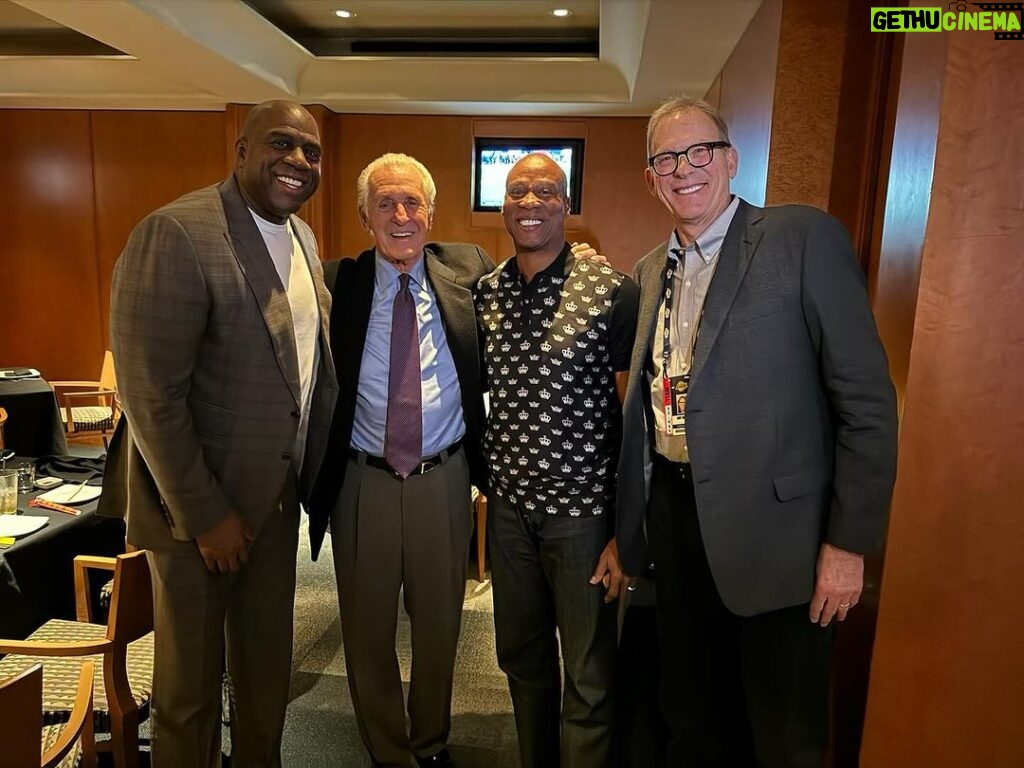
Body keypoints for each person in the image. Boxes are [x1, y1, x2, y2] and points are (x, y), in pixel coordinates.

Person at [615, 95, 899, 767]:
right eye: (666, 158)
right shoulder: (653, 268)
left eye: (699, 151)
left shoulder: (800, 239)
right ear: (651, 177)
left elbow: (866, 402)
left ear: (731, 160)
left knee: (783, 734)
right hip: (677, 527)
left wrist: (849, 545)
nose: (684, 169)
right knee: (692, 715)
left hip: (783, 545)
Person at [102, 100, 338, 767]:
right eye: (280, 144)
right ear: (240, 151)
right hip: (195, 523)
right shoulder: (178, 232)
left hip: (274, 501)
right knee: (191, 693)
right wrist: (206, 515)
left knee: (266, 679)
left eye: (311, 151)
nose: (297, 161)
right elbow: (150, 394)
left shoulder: (303, 239)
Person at [307, 153, 492, 768]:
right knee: (366, 630)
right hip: (365, 483)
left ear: (431, 213)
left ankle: (430, 743)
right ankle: (388, 751)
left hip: (445, 477)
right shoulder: (336, 284)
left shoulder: (466, 271)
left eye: (413, 202)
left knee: (440, 625)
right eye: (385, 203)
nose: (401, 215)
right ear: (365, 215)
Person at [476, 153, 639, 768]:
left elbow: (633, 421)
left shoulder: (612, 291)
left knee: (589, 674)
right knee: (522, 660)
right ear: (503, 207)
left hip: (584, 518)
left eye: (546, 190)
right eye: (518, 191)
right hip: (511, 513)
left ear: (565, 205)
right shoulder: (486, 294)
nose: (531, 202)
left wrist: (625, 531)